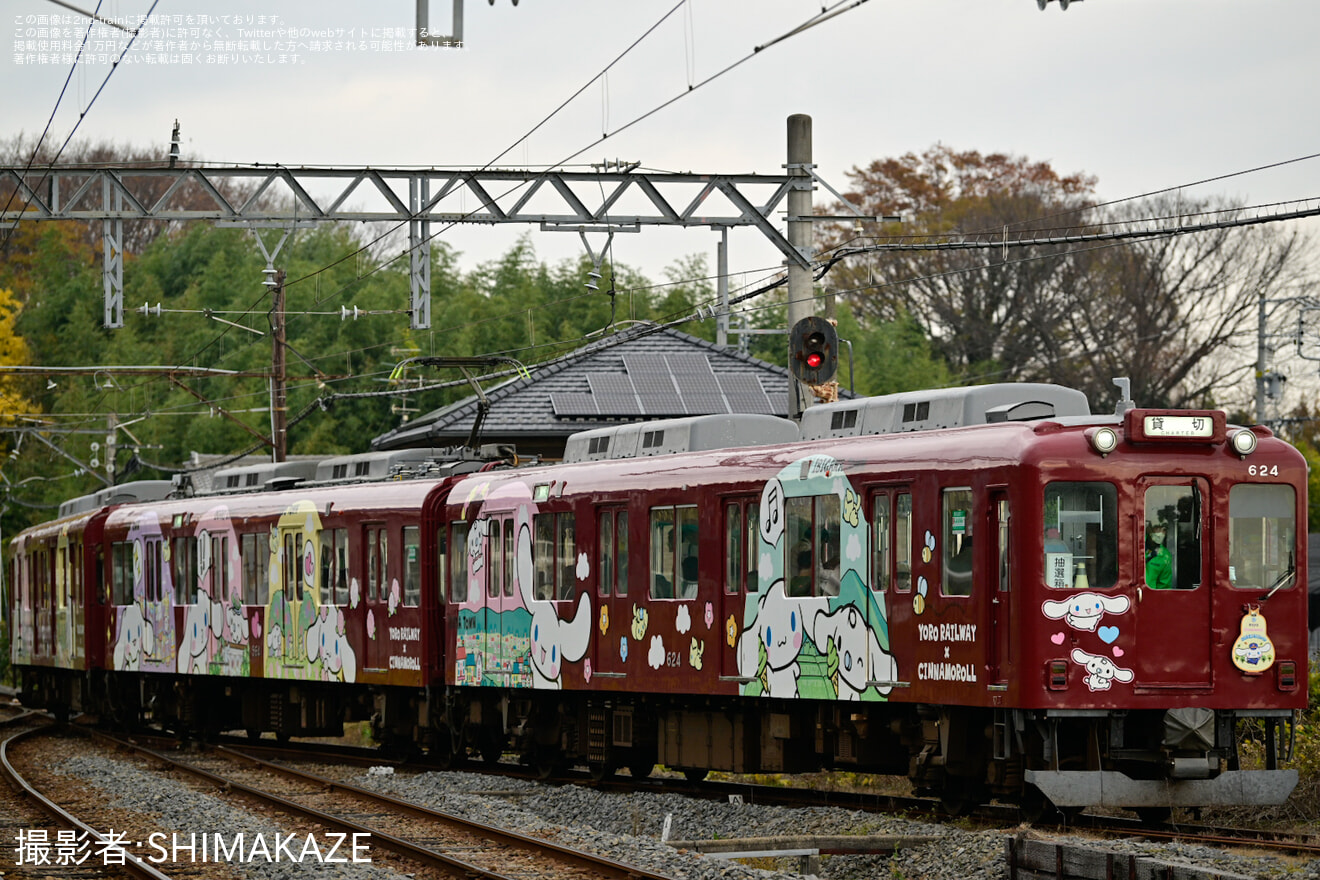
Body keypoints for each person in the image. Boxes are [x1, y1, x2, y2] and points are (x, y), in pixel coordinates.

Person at [1145, 523, 1172, 589]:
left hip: (1149, 595)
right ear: (1149, 530)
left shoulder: (1165, 556)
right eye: (1158, 528)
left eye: (1164, 529)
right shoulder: (1135, 543)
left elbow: (1163, 587)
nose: (1161, 532)